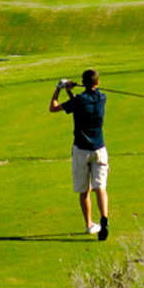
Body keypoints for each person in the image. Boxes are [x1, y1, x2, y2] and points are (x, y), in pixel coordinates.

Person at [49, 68, 110, 239]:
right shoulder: (102, 97)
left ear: (83, 82)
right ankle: (104, 219)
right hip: (99, 149)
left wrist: (59, 88)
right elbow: (82, 104)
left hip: (81, 150)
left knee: (84, 191)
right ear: (97, 83)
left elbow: (53, 108)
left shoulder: (79, 101)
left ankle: (90, 224)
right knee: (100, 188)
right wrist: (71, 93)